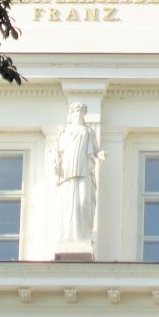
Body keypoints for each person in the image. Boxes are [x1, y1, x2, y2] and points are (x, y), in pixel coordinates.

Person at [54, 102, 105, 244]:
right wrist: (56, 163)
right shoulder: (64, 132)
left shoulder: (88, 131)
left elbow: (95, 149)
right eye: (76, 112)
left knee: (83, 201)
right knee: (68, 203)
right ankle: (68, 236)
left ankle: (84, 234)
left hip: (84, 169)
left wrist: (100, 154)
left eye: (81, 112)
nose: (79, 115)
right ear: (72, 114)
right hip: (68, 170)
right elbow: (58, 152)